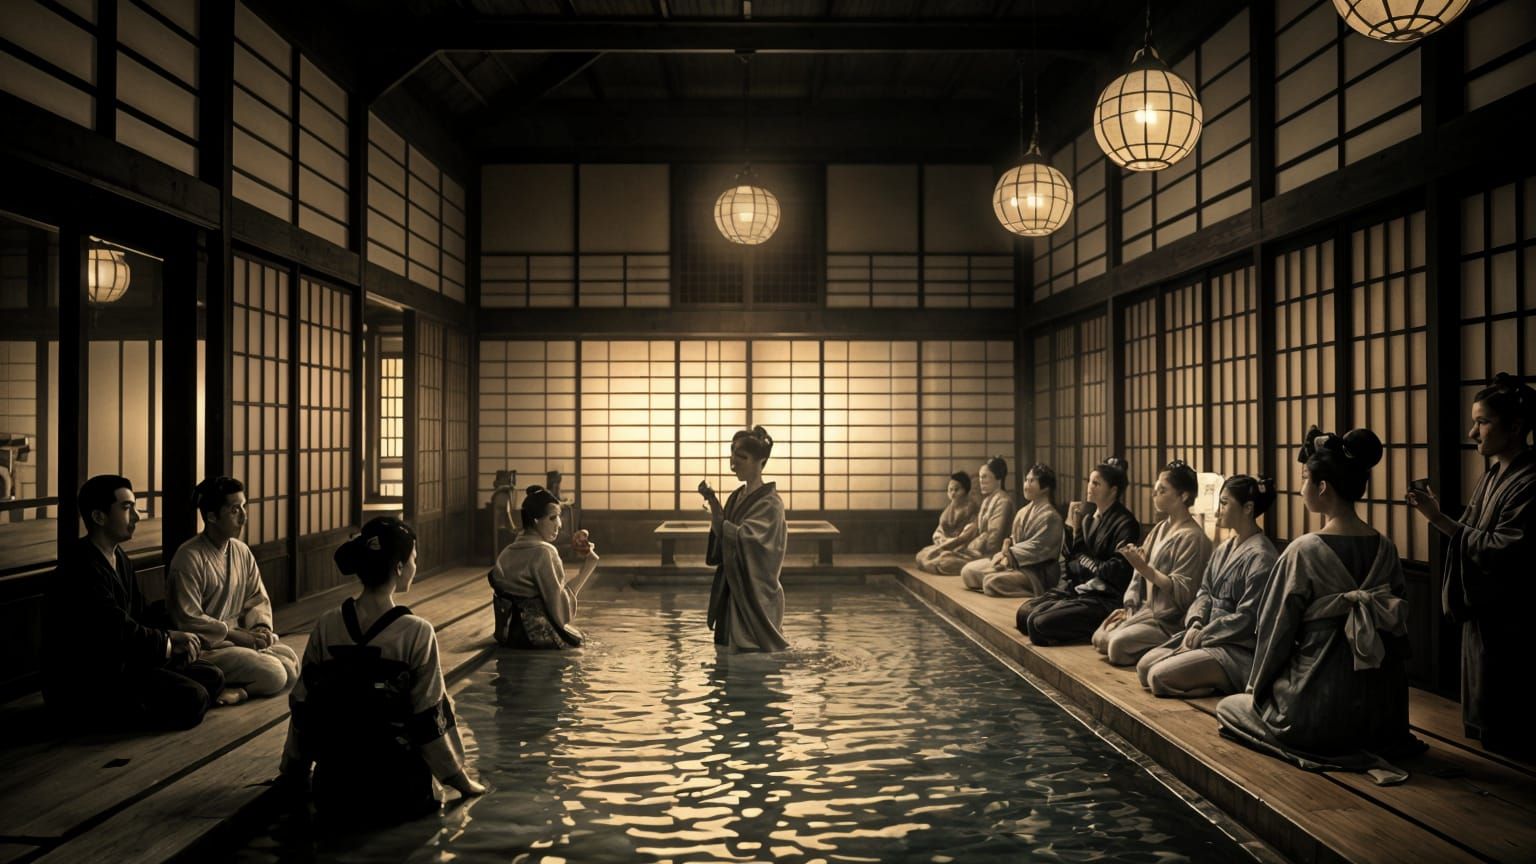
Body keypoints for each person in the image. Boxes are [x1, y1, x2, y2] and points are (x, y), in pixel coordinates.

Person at [1217, 427, 1423, 785]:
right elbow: (1396, 631)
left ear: (1322, 487)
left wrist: (1258, 691)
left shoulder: (1305, 550)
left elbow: (1275, 632)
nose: (1301, 489)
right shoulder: (1386, 547)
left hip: (1316, 709)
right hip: (1381, 714)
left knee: (1229, 707)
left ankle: (1312, 743)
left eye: (1304, 480)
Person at [280, 517, 485, 822]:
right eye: (413, 559)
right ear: (399, 567)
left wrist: (294, 769)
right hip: (398, 787)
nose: (415, 565)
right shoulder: (417, 632)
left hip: (334, 785)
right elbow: (428, 715)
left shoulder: (327, 624)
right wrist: (459, 779)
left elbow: (302, 703)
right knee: (443, 701)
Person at [1408, 372, 1536, 760]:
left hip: (1515, 614)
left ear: (1515, 427)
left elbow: (1505, 548)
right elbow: (1473, 533)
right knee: (1491, 729)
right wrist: (1439, 517)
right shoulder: (1494, 473)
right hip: (1487, 613)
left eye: (1483, 422)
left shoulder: (1530, 480)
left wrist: (1440, 520)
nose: (1472, 432)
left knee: (1513, 727)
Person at [43, 475, 224, 730]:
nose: (137, 516)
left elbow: (140, 612)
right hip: (91, 678)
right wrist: (168, 641)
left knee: (213, 676)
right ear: (99, 517)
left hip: (126, 661)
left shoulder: (119, 557)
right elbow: (116, 629)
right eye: (127, 508)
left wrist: (180, 626)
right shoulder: (80, 567)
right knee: (194, 697)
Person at [1138, 475, 1279, 698]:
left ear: (1248, 508)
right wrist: (1195, 622)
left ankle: (1219, 684)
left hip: (1235, 647)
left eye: (1224, 503)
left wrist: (1206, 633)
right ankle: (1200, 675)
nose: (1217, 510)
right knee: (1144, 667)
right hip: (1206, 633)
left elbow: (1248, 618)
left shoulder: (1262, 556)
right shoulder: (1224, 548)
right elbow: (1204, 592)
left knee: (1158, 677)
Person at [167, 476, 298, 705]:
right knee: (276, 673)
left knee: (290, 662)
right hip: (208, 647)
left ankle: (240, 678)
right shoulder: (188, 558)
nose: (244, 517)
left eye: (244, 507)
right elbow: (188, 619)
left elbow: (256, 598)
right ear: (211, 516)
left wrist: (260, 628)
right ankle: (237, 692)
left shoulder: (241, 551)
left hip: (238, 639)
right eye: (235, 510)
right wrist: (232, 634)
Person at [1091, 460, 1213, 666]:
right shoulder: (1160, 529)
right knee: (1099, 639)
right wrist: (1131, 603)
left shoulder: (1194, 537)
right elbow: (1138, 574)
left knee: (1116, 647)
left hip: (1169, 621)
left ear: (1183, 496)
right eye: (1156, 489)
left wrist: (1144, 568)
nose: (1155, 494)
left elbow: (1184, 593)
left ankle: (1167, 648)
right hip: (1145, 611)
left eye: (1162, 490)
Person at [1019, 458, 1140, 645]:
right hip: (1079, 588)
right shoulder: (1088, 519)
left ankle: (1091, 629)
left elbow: (1112, 571)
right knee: (1023, 615)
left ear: (1113, 490)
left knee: (1038, 625)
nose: (1089, 487)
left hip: (1104, 597)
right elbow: (1071, 561)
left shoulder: (1126, 523)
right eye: (1089, 481)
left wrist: (1081, 558)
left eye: (1096, 483)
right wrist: (1071, 530)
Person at [700, 426, 790, 652]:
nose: (734, 462)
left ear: (761, 461)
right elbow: (724, 533)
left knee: (755, 655)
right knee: (729, 653)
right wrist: (712, 500)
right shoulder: (736, 496)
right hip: (733, 587)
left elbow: (755, 542)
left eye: (742, 457)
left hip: (754, 589)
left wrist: (725, 526)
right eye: (732, 455)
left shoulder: (771, 503)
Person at [490, 485, 599, 649]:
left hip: (509, 635)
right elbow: (561, 613)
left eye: (558, 517)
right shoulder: (544, 552)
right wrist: (589, 565)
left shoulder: (507, 552)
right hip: (534, 637)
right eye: (553, 518)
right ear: (536, 520)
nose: (559, 524)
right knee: (587, 644)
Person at [961, 463, 1065, 597]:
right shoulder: (1023, 512)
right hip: (1014, 563)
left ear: (1045, 487)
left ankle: (1033, 590)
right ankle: (1002, 577)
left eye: (1032, 481)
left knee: (990, 582)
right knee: (968, 572)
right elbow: (1013, 539)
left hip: (1036, 572)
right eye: (1026, 480)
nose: (1026, 485)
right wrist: (1006, 547)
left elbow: (1038, 548)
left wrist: (1008, 554)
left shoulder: (1051, 516)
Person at [915, 457, 1015, 575]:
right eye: (980, 477)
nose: (981, 481)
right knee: (925, 554)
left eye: (985, 477)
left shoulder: (1003, 502)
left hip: (989, 554)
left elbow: (993, 540)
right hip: (974, 548)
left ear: (998, 478)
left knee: (943, 561)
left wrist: (969, 548)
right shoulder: (987, 500)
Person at [914, 472, 979, 569]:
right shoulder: (948, 510)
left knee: (944, 561)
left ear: (966, 490)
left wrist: (948, 544)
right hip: (945, 546)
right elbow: (939, 531)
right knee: (921, 555)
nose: (953, 493)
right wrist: (942, 540)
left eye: (957, 489)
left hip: (962, 548)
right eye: (950, 490)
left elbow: (966, 536)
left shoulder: (972, 509)